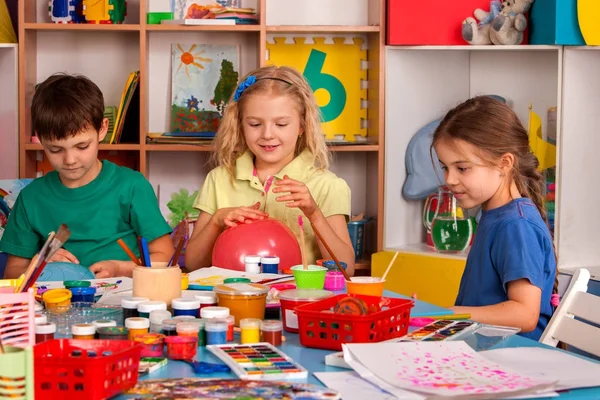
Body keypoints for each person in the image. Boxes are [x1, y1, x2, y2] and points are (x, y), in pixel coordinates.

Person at [185, 65, 355, 275]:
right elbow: (193, 265)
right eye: (255, 124)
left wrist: (314, 214)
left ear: (302, 125)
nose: (267, 134)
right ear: (240, 126)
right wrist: (217, 221)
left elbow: (346, 270)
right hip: (232, 301)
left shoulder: (328, 185)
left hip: (299, 303)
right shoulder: (219, 179)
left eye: (281, 124)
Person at [1, 73, 173, 279]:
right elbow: (11, 274)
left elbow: (165, 257)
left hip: (121, 300)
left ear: (102, 130)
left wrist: (120, 268)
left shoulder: (132, 186)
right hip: (56, 305)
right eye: (55, 150)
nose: (70, 159)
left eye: (82, 146)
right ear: (40, 139)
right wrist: (38, 264)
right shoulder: (30, 198)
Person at [432, 96, 558, 340]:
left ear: (504, 164)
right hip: (486, 351)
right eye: (445, 167)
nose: (449, 179)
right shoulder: (496, 215)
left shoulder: (516, 225)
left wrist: (449, 314)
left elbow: (524, 315)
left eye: (462, 168)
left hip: (512, 363)